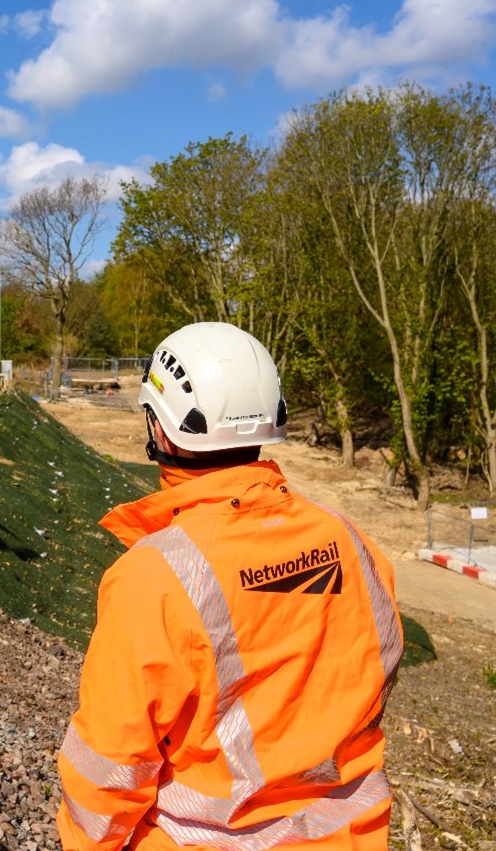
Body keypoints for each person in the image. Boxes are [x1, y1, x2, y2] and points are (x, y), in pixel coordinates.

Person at [57, 322, 401, 851]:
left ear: (163, 431)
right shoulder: (348, 539)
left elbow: (111, 764)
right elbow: (376, 667)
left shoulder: (155, 577)